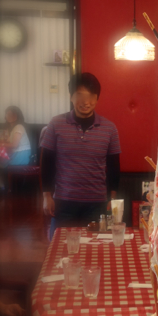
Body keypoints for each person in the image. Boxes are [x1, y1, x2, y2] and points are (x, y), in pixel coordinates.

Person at [41, 73, 121, 235]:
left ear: (97, 98)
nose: (85, 102)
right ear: (71, 96)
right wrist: (46, 196)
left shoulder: (110, 128)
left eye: (91, 96)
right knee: (61, 244)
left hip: (96, 203)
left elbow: (114, 166)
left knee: (94, 245)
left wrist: (112, 198)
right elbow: (46, 162)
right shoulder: (55, 124)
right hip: (63, 201)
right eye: (80, 96)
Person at [0, 106, 32, 189]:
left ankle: (1, 183)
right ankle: (1, 182)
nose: (9, 116)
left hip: (21, 156)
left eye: (12, 114)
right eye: (7, 114)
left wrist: (0, 144)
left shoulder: (19, 127)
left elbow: (14, 145)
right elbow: (9, 143)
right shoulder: (14, 128)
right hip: (18, 154)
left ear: (17, 115)